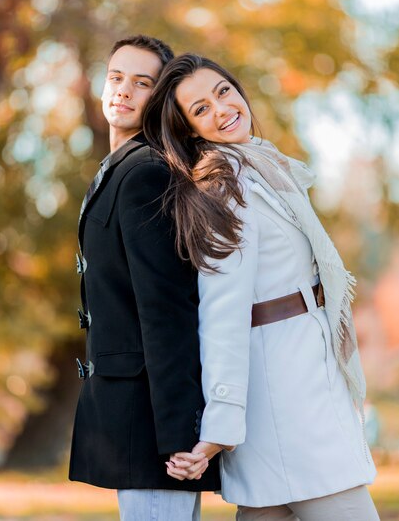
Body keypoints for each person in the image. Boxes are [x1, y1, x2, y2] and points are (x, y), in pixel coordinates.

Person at [143, 53, 380, 521]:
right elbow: (223, 313)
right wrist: (217, 430)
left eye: (222, 92)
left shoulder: (263, 169)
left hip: (303, 374)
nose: (221, 108)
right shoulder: (224, 187)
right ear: (190, 129)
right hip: (287, 398)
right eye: (201, 109)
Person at [68, 37, 220, 521]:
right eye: (116, 77)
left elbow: (168, 309)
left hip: (153, 431)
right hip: (133, 419)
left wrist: (178, 436)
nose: (123, 91)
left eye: (142, 83)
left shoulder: (148, 173)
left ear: (160, 98)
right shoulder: (120, 168)